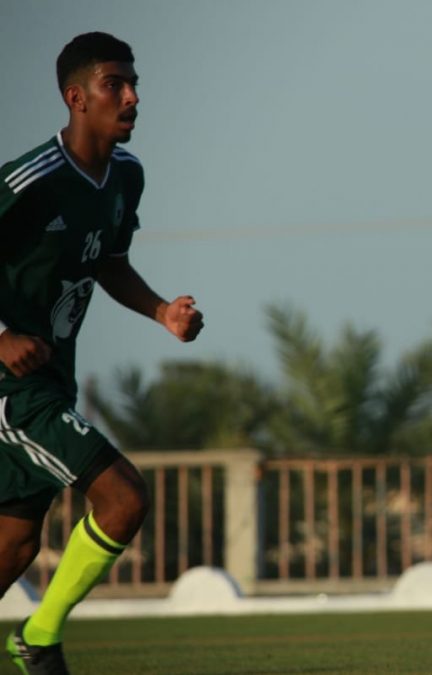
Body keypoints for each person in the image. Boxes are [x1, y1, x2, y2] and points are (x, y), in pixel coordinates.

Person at [0, 32, 204, 674]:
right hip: (10, 390)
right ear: (76, 97)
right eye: (114, 84)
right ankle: (39, 637)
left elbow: (110, 263)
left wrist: (162, 312)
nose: (132, 97)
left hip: (53, 379)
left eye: (133, 83)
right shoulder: (30, 180)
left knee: (15, 543)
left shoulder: (126, 175)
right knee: (123, 498)